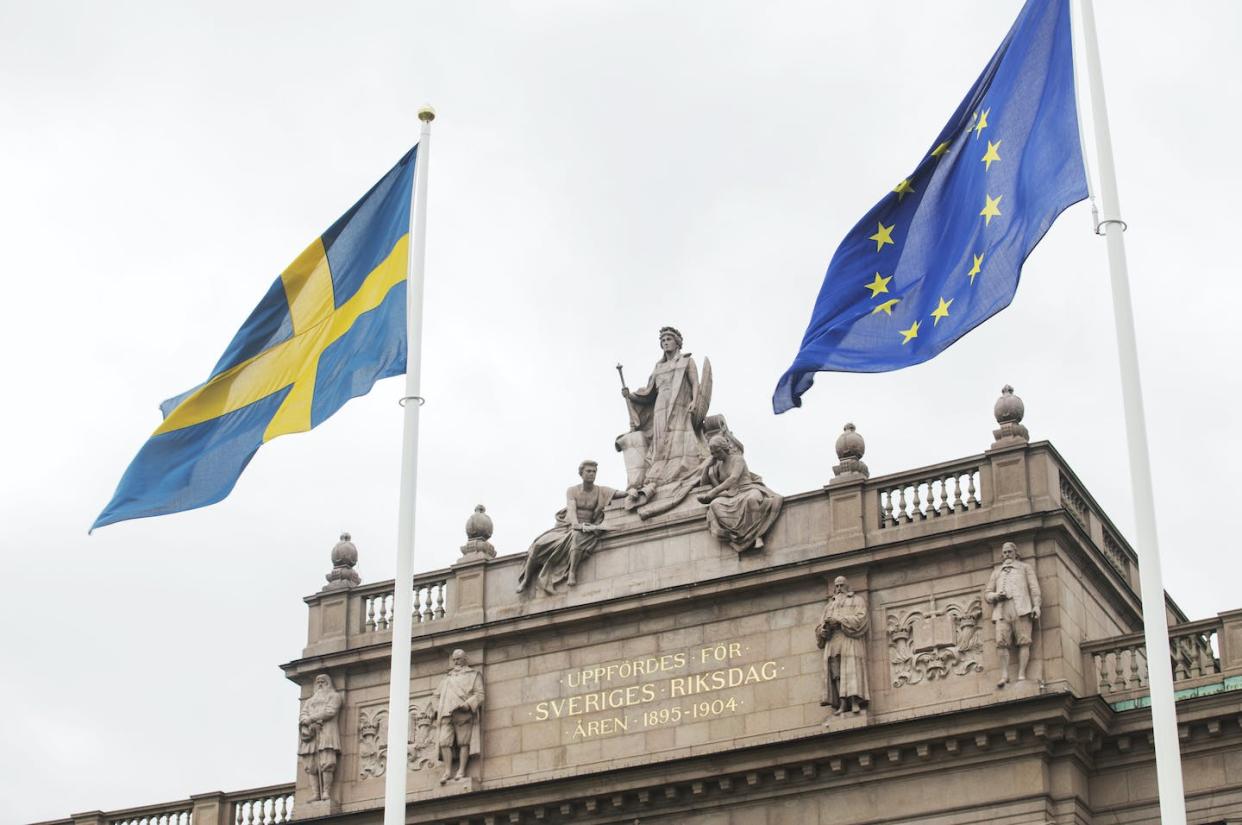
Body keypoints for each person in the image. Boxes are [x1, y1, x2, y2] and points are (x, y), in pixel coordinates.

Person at [621, 326, 710, 515]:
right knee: (661, 439)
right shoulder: (658, 367)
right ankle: (660, 471)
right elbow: (648, 392)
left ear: (677, 342)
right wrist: (631, 396)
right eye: (662, 340)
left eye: (668, 339)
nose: (665, 343)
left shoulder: (686, 361)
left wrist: (695, 401)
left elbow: (695, 383)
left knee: (679, 436)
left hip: (680, 402)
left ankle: (680, 468)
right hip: (661, 405)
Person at [517, 460, 622, 595]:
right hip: (567, 527)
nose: (592, 474)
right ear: (581, 473)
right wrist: (575, 524)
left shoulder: (601, 491)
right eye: (588, 471)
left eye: (594, 472)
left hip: (587, 527)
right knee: (537, 545)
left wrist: (633, 492)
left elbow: (619, 494)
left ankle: (572, 572)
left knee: (577, 537)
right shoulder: (572, 491)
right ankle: (526, 580)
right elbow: (571, 509)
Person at [696, 434, 783, 553]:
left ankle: (757, 535)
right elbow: (703, 483)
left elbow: (733, 478)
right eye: (713, 453)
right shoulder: (718, 465)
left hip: (749, 489)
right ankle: (736, 535)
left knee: (751, 500)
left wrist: (712, 493)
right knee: (715, 505)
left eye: (717, 452)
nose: (716, 455)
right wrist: (707, 467)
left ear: (724, 448)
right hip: (732, 496)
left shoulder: (738, 459)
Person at [985, 541, 1042, 687]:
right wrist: (997, 596)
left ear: (1016, 553)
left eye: (1009, 551)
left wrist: (1036, 606)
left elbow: (1034, 588)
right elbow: (987, 594)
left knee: (1024, 641)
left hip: (1021, 609)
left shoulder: (1024, 568)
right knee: (1001, 642)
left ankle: (1021, 674)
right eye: (1004, 552)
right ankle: (1004, 675)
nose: (1007, 555)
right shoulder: (997, 572)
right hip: (1002, 610)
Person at [815, 576, 870, 718]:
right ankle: (842, 704)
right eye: (837, 586)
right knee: (836, 674)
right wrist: (823, 630)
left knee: (851, 670)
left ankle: (854, 701)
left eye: (841, 585)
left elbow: (861, 619)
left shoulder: (857, 600)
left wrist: (839, 621)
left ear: (847, 587)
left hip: (849, 639)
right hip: (833, 641)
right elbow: (819, 626)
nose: (839, 589)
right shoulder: (829, 607)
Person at [432, 649, 485, 784]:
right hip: (446, 714)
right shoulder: (447, 679)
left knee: (463, 742)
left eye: (458, 659)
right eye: (454, 659)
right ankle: (448, 771)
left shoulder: (473, 675)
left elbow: (480, 695)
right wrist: (437, 708)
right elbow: (436, 696)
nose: (456, 662)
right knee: (444, 742)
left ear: (464, 659)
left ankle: (461, 770)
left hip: (462, 713)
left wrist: (467, 705)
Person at [298, 673, 343, 801]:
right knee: (311, 765)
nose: (320, 684)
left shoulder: (334, 696)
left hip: (327, 733)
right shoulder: (309, 701)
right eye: (318, 682)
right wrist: (306, 721)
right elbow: (303, 714)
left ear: (328, 683)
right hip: (311, 735)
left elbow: (330, 711)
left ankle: (326, 792)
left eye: (323, 681)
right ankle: (315, 793)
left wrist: (311, 718)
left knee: (327, 762)